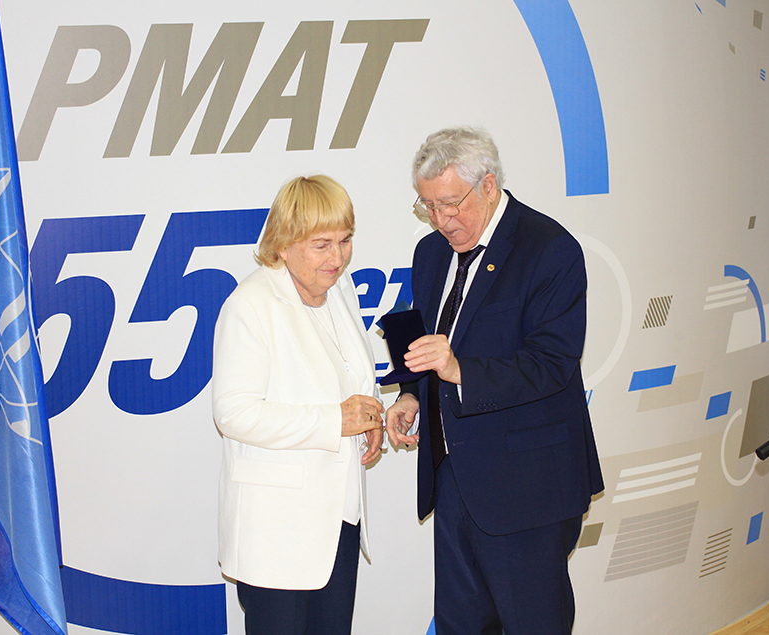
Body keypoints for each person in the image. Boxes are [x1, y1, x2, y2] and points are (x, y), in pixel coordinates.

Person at [386, 127, 604, 635]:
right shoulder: (431, 253)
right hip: (453, 476)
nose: (441, 220)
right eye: (427, 206)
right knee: (460, 626)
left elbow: (552, 363)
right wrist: (412, 394)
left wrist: (460, 370)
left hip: (528, 486)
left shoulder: (549, 249)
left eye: (450, 204)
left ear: (488, 186)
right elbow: (434, 342)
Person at [212, 174, 384, 635]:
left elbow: (347, 374)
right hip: (277, 532)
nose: (338, 258)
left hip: (340, 519)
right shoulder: (250, 305)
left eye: (345, 240)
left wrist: (370, 415)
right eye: (322, 244)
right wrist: (336, 421)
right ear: (284, 245)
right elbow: (233, 414)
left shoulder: (339, 289)